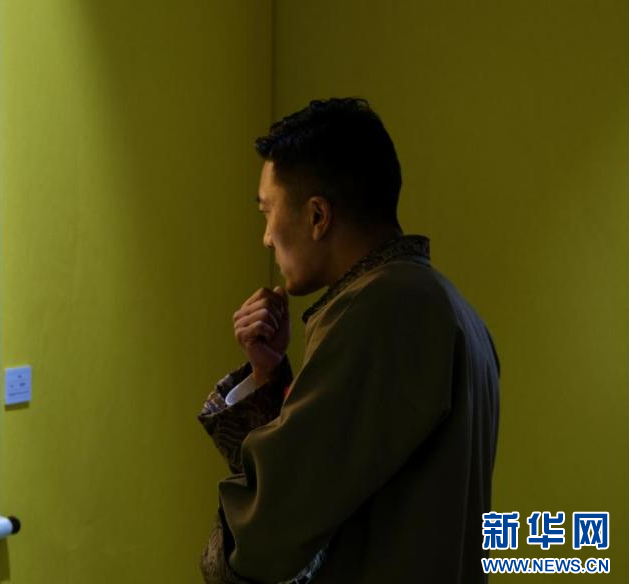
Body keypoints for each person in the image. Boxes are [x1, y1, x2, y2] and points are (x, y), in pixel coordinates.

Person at [197, 97, 501, 583]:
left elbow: (276, 520)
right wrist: (268, 372)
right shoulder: (447, 306)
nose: (267, 237)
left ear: (318, 216)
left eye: (268, 212)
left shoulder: (383, 308)